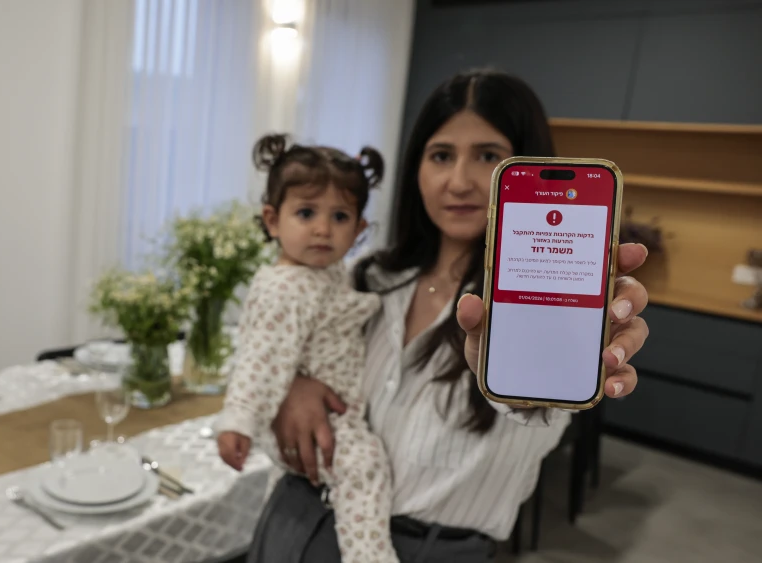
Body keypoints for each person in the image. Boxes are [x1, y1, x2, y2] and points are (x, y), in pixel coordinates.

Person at [246, 68, 651, 563]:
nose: (459, 182)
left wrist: (559, 352)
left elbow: (537, 413)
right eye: (441, 155)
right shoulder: (365, 276)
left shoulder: (534, 308)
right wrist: (293, 381)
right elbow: (269, 332)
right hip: (292, 519)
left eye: (488, 156)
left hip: (426, 551)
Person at [214, 134, 400, 562]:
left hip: (332, 412)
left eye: (340, 216)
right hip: (324, 424)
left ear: (359, 230)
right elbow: (260, 359)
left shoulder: (325, 271)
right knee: (365, 466)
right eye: (306, 213)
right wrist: (239, 420)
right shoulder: (286, 287)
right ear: (272, 220)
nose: (322, 229)